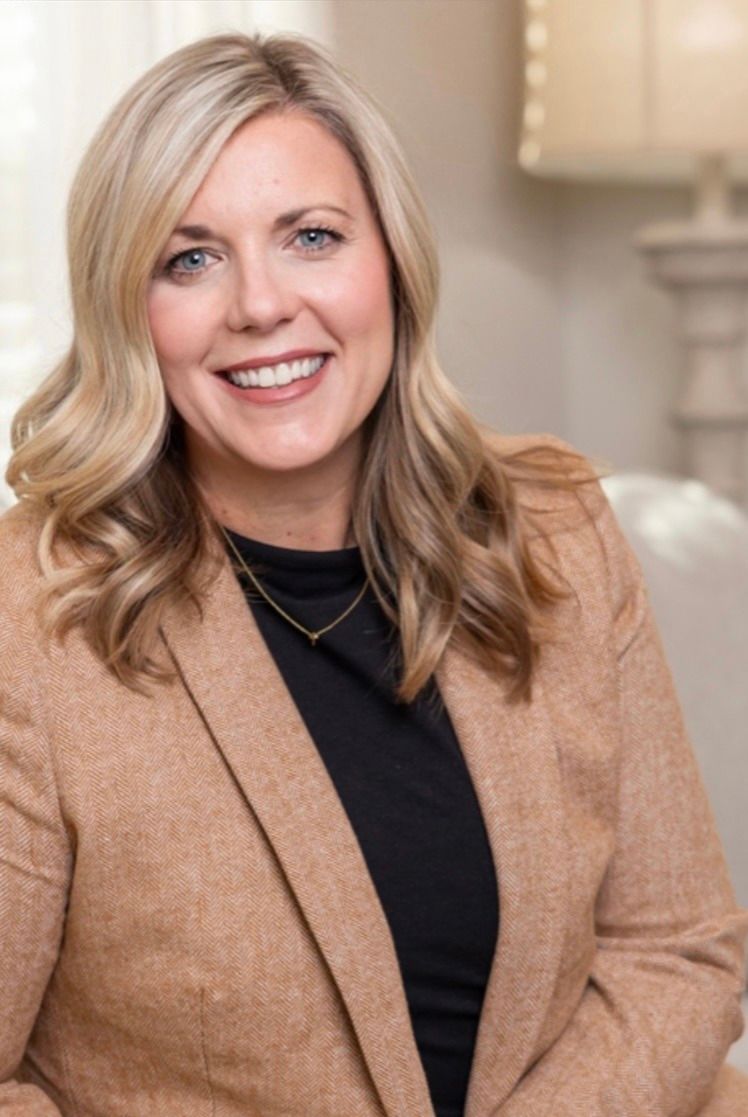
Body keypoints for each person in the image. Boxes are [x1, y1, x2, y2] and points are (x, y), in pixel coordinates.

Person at [0, 30, 747, 1117]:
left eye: (310, 236)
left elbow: (676, 949)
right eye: (189, 257)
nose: (259, 304)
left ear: (391, 261)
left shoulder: (557, 534)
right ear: (129, 309)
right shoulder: (31, 620)